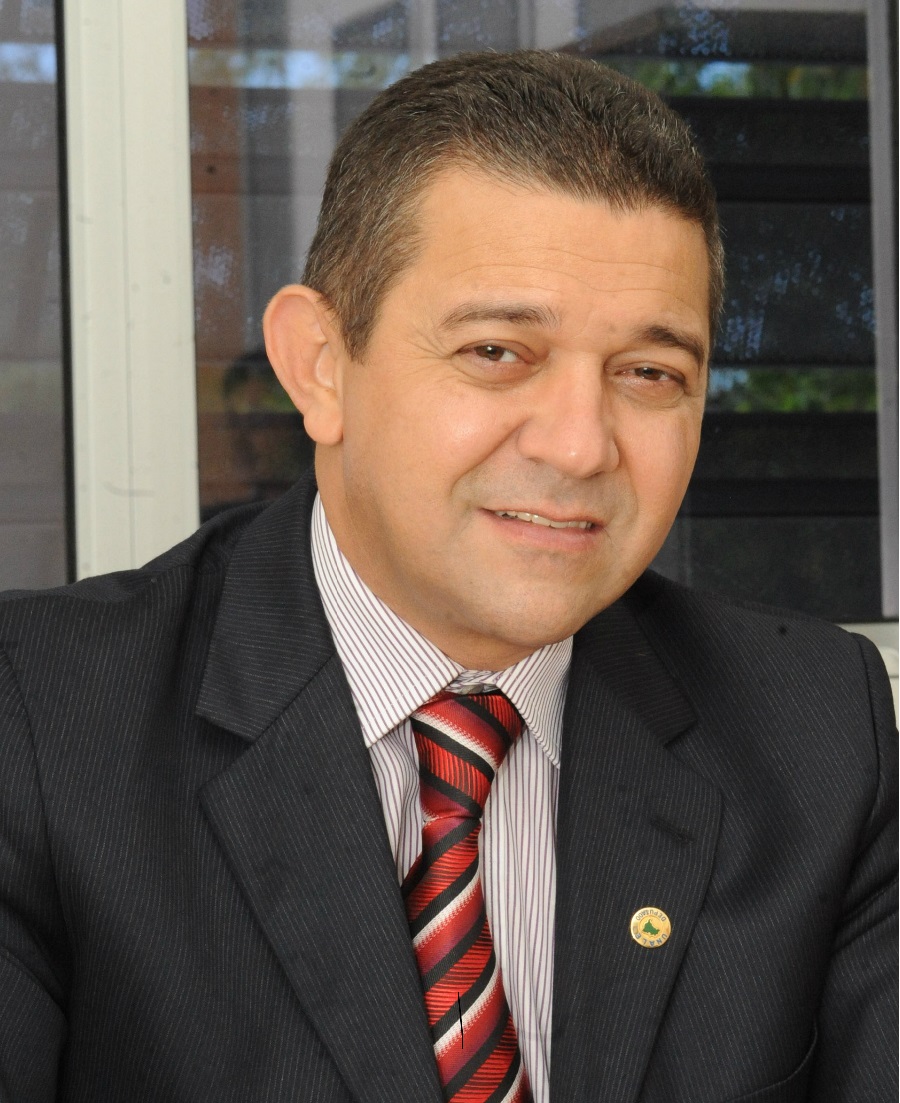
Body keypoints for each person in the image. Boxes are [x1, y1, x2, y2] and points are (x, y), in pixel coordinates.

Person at [0, 50, 895, 1103]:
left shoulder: (816, 733)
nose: (580, 445)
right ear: (320, 364)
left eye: (650, 373)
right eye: (498, 352)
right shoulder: (41, 720)